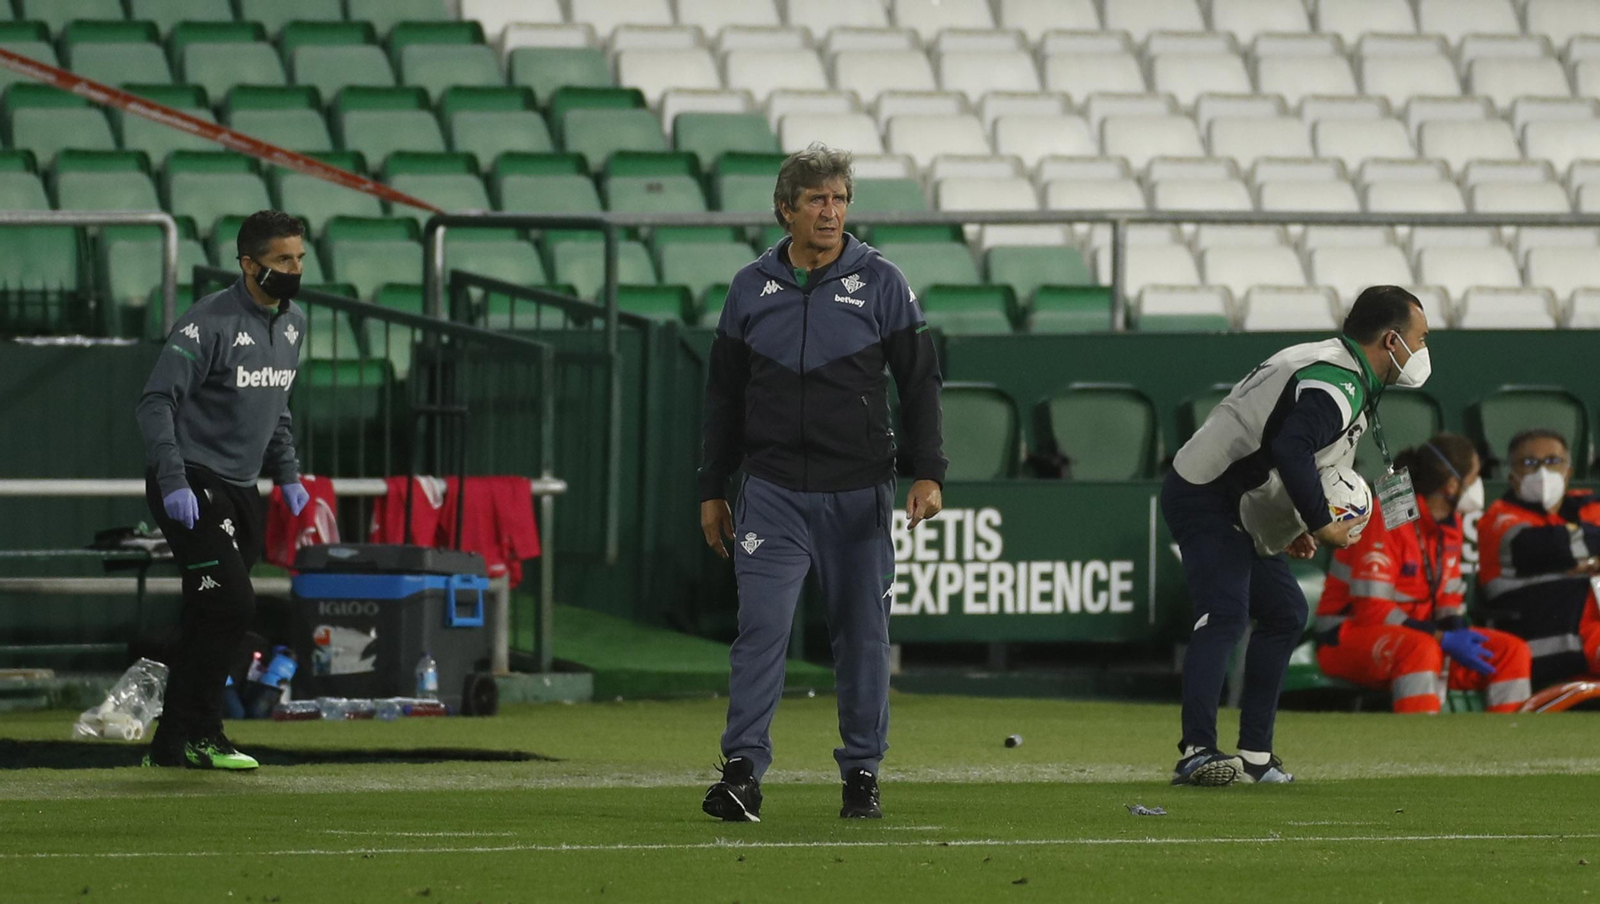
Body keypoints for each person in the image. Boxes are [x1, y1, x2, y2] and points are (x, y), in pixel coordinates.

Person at [697, 143, 946, 822]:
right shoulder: (750, 286)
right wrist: (711, 486)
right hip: (771, 490)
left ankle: (862, 773)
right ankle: (742, 771)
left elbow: (920, 383)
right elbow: (722, 395)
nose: (832, 212)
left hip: (859, 492)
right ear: (786, 210)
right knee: (760, 631)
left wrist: (930, 472)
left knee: (863, 637)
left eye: (839, 199)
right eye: (817, 200)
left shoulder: (884, 282)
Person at [1162, 285, 1430, 787]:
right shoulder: (1338, 383)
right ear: (1391, 340)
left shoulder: (1334, 368)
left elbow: (1287, 449)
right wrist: (1322, 521)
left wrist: (1296, 522)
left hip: (1242, 499)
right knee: (1224, 612)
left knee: (1286, 612)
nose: (1423, 351)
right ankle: (1197, 751)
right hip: (1208, 495)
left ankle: (1255, 756)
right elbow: (1291, 447)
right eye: (1420, 338)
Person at [135, 210, 310, 770]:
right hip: (191, 481)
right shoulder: (206, 323)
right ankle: (202, 733)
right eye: (284, 259)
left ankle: (171, 744)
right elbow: (155, 402)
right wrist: (172, 479)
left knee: (210, 615)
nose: (295, 268)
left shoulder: (293, 324)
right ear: (249, 264)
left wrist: (287, 476)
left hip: (242, 487)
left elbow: (277, 408)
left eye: (300, 258)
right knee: (233, 604)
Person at [1316, 433, 1531, 712]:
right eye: (1475, 476)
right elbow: (1372, 611)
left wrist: (1457, 631)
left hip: (1419, 635)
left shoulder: (1450, 523)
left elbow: (1448, 602)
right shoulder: (1387, 515)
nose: (1479, 485)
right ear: (1452, 485)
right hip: (1344, 636)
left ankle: (1509, 745)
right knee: (1421, 650)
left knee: (1511, 652)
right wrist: (1442, 638)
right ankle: (1421, 743)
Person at [1476, 429, 1600, 685]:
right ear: (1512, 476)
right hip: (1541, 638)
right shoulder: (1499, 521)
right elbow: (1548, 546)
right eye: (1529, 463)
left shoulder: (1587, 505)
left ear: (1569, 473)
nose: (1543, 471)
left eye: (1553, 461)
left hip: (1587, 632)